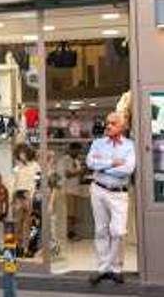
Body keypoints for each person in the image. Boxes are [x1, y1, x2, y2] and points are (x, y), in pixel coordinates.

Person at [86, 112, 136, 285]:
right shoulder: (98, 143)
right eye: (108, 123)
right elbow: (90, 163)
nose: (108, 126)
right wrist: (113, 162)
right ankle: (104, 268)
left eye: (113, 123)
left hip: (119, 193)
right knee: (101, 230)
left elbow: (127, 169)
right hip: (98, 190)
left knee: (118, 231)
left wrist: (102, 166)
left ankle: (115, 268)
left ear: (122, 126)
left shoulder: (129, 145)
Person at [62, 143, 84, 240]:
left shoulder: (77, 161)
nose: (78, 152)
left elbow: (79, 176)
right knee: (70, 214)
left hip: (76, 189)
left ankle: (72, 232)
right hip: (68, 190)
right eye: (76, 150)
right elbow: (67, 174)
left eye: (79, 151)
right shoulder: (65, 160)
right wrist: (79, 172)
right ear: (71, 150)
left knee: (74, 213)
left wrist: (82, 173)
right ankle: (69, 233)